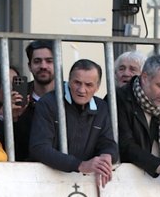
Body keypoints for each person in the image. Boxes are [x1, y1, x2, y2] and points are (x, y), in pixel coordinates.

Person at [28, 59, 118, 187]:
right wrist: (80, 165)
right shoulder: (48, 103)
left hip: (85, 185)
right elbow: (39, 147)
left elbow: (108, 142)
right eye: (77, 83)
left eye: (88, 85)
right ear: (69, 81)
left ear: (97, 87)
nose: (82, 90)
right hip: (44, 182)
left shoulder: (101, 107)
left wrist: (107, 156)